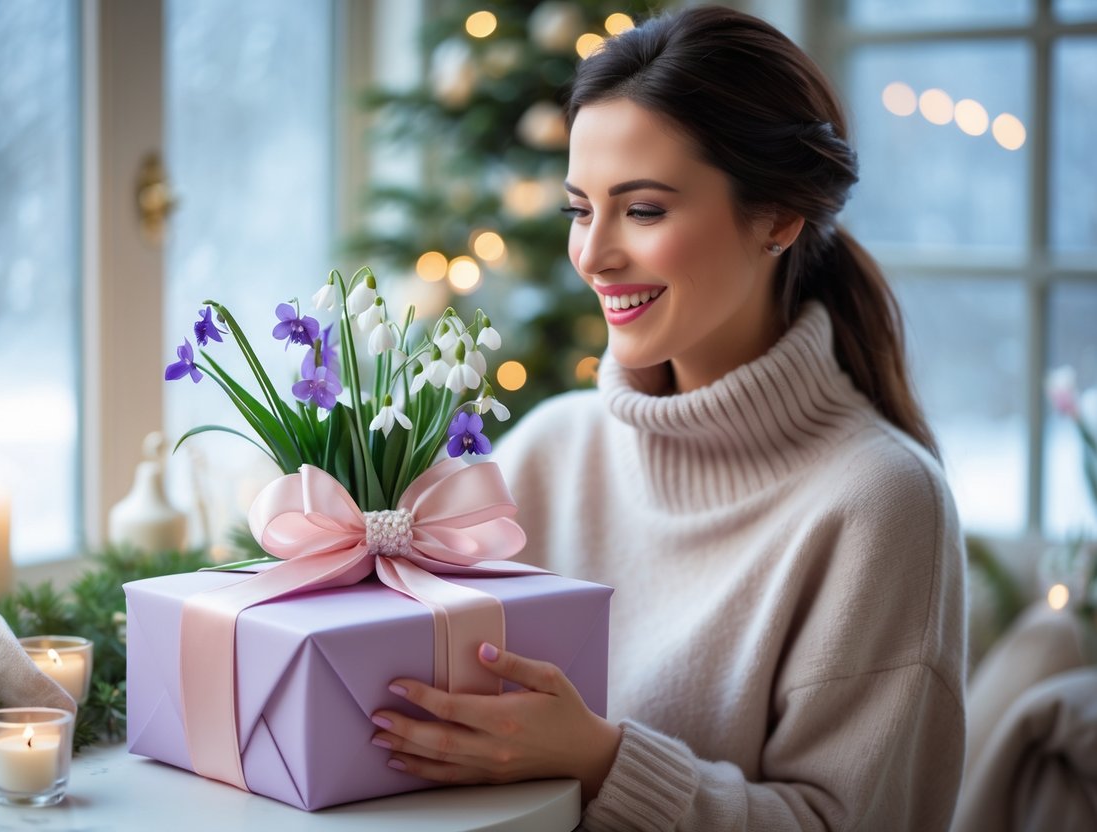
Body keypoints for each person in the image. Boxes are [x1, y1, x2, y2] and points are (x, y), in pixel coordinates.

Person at [370, 6, 967, 830]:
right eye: (580, 209)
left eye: (642, 210)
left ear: (779, 220)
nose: (593, 253)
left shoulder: (880, 504)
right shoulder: (550, 448)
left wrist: (600, 762)